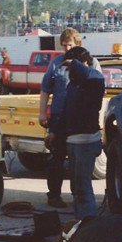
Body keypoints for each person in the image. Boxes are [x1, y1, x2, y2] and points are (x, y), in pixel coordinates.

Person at [39, 28, 102, 208]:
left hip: (79, 119)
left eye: (70, 44)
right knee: (56, 157)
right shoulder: (56, 63)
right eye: (64, 45)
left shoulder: (91, 63)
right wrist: (42, 112)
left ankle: (78, 197)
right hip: (59, 117)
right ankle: (54, 195)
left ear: (77, 44)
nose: (67, 48)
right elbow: (45, 88)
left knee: (78, 160)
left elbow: (98, 86)